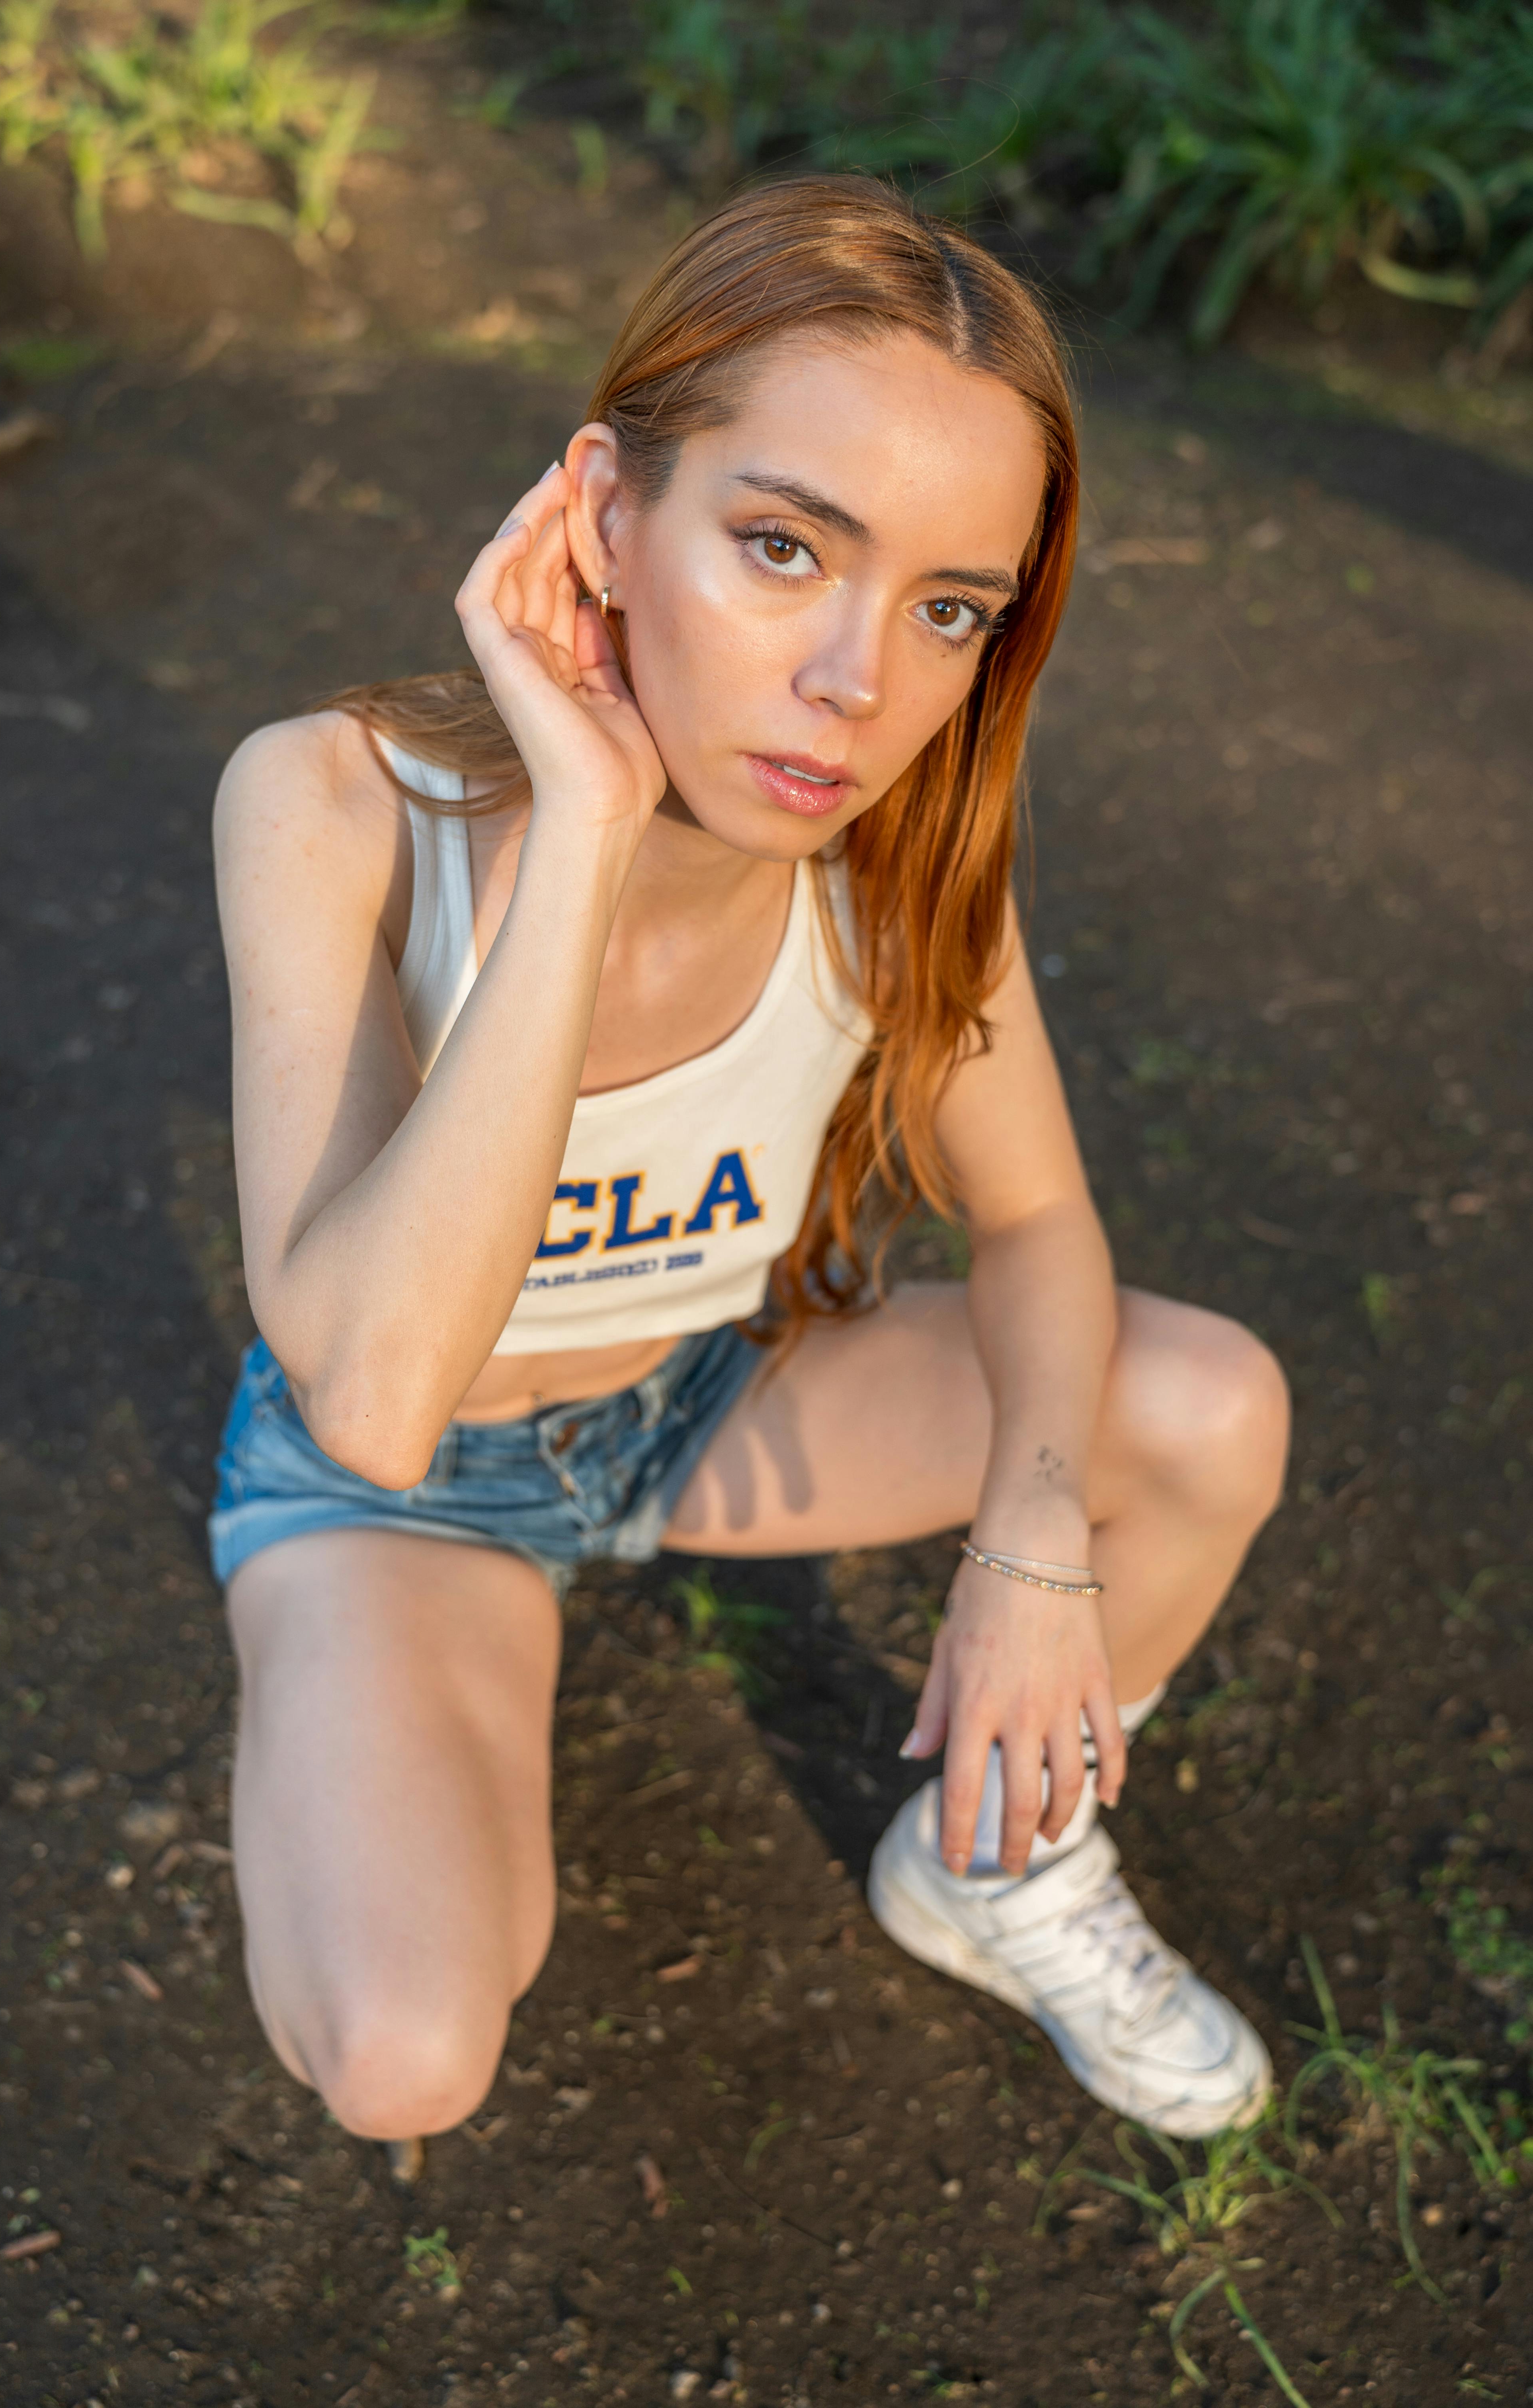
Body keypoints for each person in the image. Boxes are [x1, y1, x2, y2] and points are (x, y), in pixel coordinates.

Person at [209, 176, 1289, 2156]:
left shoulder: (897, 872)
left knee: (1201, 1409)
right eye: (784, 546)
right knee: (402, 2055)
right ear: (607, 515)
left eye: (948, 607)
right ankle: (332, 1704)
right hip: (407, 1485)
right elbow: (371, 1396)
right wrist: (596, 830)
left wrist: (1030, 1553)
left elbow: (1038, 1217)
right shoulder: (337, 804)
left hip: (701, 1398)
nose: (860, 684)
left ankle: (991, 1872)